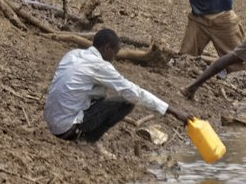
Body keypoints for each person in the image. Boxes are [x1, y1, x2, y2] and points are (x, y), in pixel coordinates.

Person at [45, 28, 191, 143]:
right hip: (67, 129)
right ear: (107, 48)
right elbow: (135, 93)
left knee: (101, 92)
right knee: (126, 101)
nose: (114, 58)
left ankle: (82, 132)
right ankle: (88, 140)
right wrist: (173, 111)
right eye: (115, 52)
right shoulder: (100, 66)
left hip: (52, 122)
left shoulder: (73, 54)